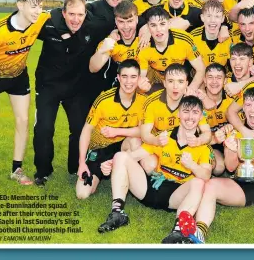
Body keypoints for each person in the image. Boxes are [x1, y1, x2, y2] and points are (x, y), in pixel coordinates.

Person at [174, 87, 254, 244]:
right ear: (243, 108)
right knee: (211, 185)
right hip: (239, 187)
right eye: (248, 105)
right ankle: (200, 232)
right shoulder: (235, 130)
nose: (252, 110)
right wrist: (231, 150)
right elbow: (229, 167)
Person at [97, 96, 212, 238]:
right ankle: (117, 213)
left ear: (200, 116)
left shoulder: (203, 147)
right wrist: (110, 163)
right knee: (121, 156)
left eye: (195, 112)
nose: (190, 116)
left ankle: (178, 231)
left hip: (176, 196)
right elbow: (134, 156)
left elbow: (206, 175)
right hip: (151, 187)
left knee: (199, 182)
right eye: (186, 111)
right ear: (178, 114)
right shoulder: (164, 137)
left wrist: (192, 166)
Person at [0, 0, 49, 191]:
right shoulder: (0, 30)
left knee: (23, 120)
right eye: (33, 6)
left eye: (40, 6)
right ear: (20, 5)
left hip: (18, 77)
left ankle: (16, 169)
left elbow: (68, 12)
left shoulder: (41, 20)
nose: (38, 11)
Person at [33, 0, 108, 185]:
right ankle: (42, 171)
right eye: (71, 14)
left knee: (79, 129)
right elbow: (23, 21)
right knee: (44, 128)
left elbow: (120, 23)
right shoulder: (48, 23)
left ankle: (76, 168)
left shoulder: (92, 27)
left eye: (80, 14)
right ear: (63, 13)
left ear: (86, 15)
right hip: (48, 85)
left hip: (76, 87)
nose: (76, 19)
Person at [76, 60, 146, 199]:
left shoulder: (143, 101)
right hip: (100, 149)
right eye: (124, 76)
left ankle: (126, 175)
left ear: (138, 79)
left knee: (135, 142)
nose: (128, 81)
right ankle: (101, 171)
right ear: (118, 78)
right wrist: (82, 162)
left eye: (133, 77)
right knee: (82, 194)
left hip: (122, 146)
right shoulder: (104, 99)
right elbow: (86, 130)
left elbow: (142, 131)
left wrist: (117, 131)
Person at [140, 63, 212, 148]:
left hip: (186, 147)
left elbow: (207, 133)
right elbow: (145, 135)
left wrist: (198, 140)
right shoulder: (151, 102)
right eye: (171, 81)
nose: (175, 86)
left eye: (180, 81)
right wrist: (156, 141)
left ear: (186, 84)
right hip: (158, 147)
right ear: (164, 83)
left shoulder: (194, 102)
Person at [137, 7, 205, 91]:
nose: (158, 29)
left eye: (162, 24)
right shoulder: (144, 46)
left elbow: (201, 69)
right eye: (153, 25)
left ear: (169, 24)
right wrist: (142, 85)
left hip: (181, 74)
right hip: (157, 76)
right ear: (148, 27)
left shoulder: (185, 40)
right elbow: (142, 76)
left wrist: (191, 90)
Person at [89, 1, 150, 92]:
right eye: (121, 22)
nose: (126, 27)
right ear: (115, 21)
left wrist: (149, 30)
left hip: (144, 89)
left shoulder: (145, 39)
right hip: (118, 89)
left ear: (137, 19)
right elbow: (93, 68)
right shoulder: (111, 42)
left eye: (130, 21)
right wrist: (101, 50)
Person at [198, 63, 233, 176]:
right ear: (204, 80)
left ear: (225, 81)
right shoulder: (197, 102)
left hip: (231, 143)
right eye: (210, 77)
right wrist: (214, 139)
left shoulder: (232, 100)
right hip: (208, 143)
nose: (214, 81)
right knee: (219, 168)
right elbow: (194, 137)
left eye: (219, 78)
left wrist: (232, 127)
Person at [190, 0, 233, 67]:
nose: (212, 20)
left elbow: (232, 66)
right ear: (202, 17)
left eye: (217, 16)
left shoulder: (230, 38)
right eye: (209, 16)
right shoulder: (192, 37)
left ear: (222, 19)